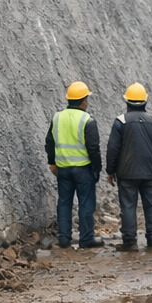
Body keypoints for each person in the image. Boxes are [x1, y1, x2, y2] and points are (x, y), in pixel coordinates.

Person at [105, 83, 152, 251]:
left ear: (127, 101)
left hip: (127, 173)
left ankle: (130, 242)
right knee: (151, 205)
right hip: (151, 173)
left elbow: (113, 148)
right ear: (145, 101)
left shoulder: (121, 122)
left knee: (128, 206)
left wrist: (110, 171)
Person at [46, 81, 104, 249]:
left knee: (64, 202)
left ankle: (64, 238)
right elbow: (93, 148)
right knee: (86, 203)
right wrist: (97, 169)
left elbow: (49, 142)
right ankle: (86, 238)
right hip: (83, 169)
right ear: (83, 101)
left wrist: (52, 162)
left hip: (63, 169)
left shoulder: (57, 118)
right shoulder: (87, 120)